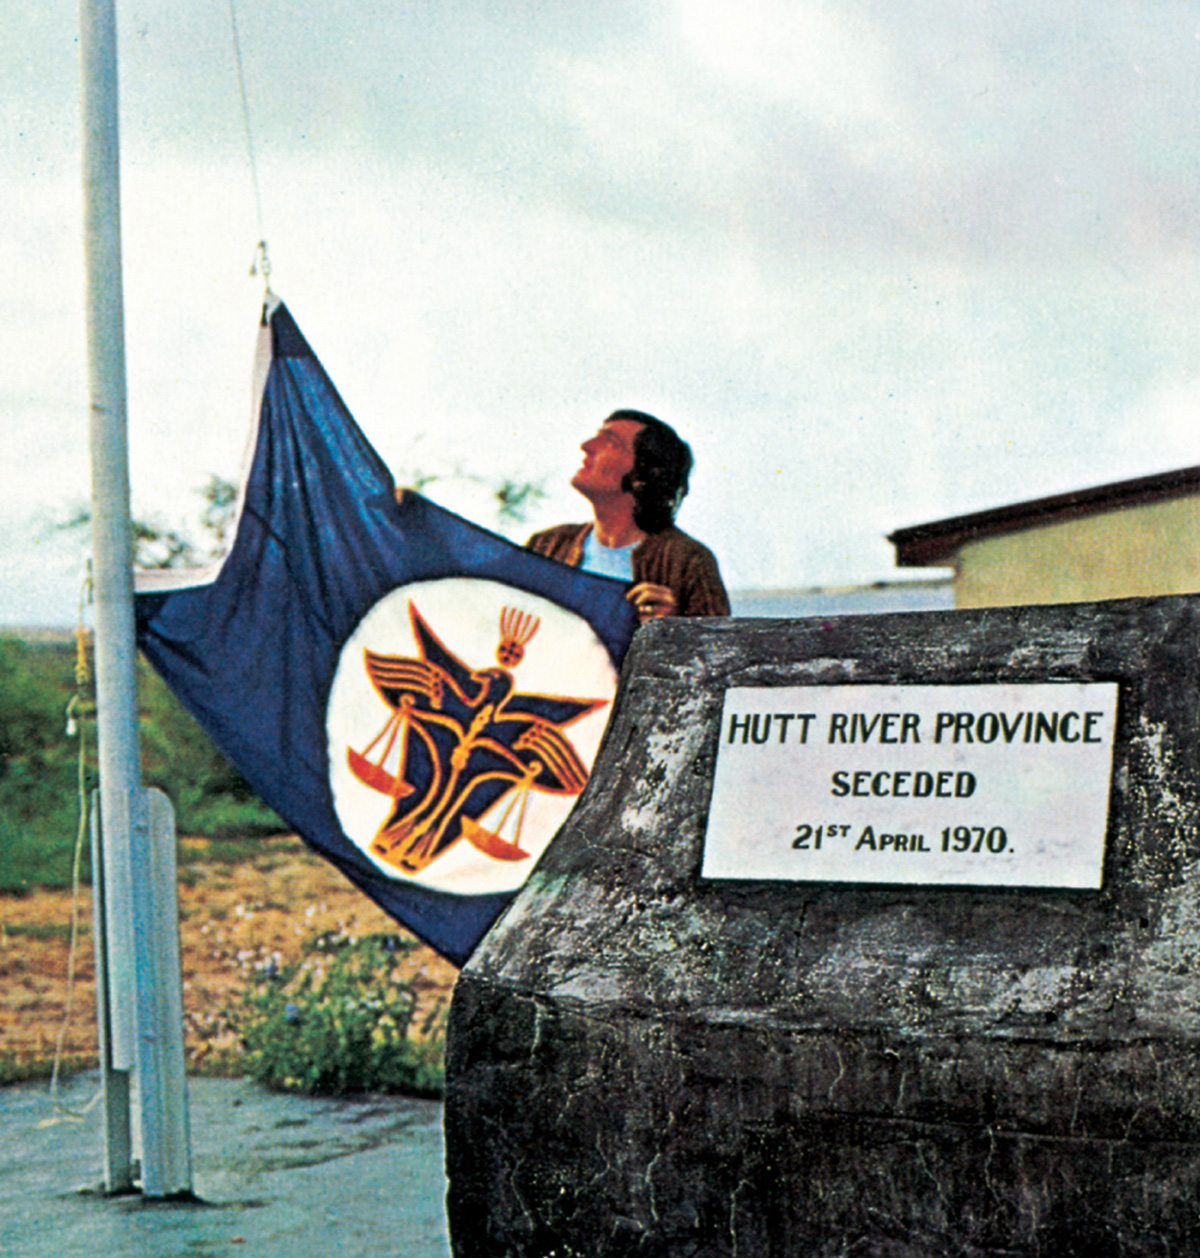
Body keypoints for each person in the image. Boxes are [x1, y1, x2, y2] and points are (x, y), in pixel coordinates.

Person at [526, 410, 729, 620]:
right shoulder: (545, 545)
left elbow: (719, 649)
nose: (586, 446)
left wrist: (672, 630)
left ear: (643, 475)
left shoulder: (689, 561)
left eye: (611, 442)